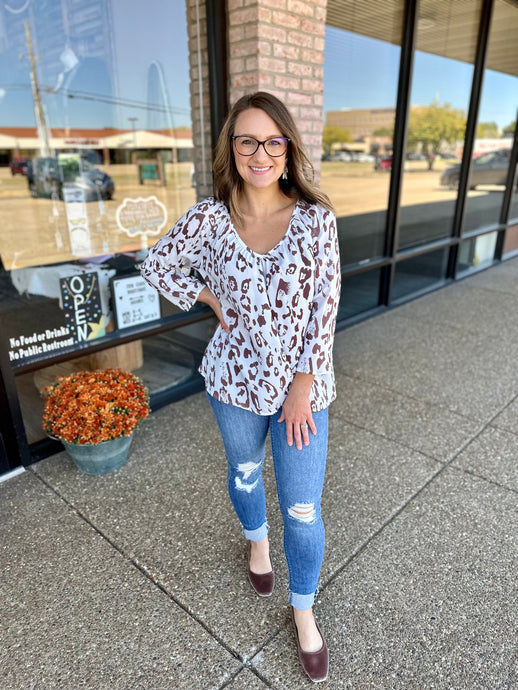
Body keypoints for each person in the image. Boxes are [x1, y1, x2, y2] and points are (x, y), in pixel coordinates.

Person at [140, 91, 340, 683]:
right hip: (231, 382)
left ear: (287, 149)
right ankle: (256, 543)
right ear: (232, 147)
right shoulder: (208, 219)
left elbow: (324, 311)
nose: (260, 152)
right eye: (247, 139)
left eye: (272, 140)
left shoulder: (314, 220)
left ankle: (303, 611)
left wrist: (302, 385)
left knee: (302, 511)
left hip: (302, 391)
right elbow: (158, 264)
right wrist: (207, 296)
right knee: (245, 471)